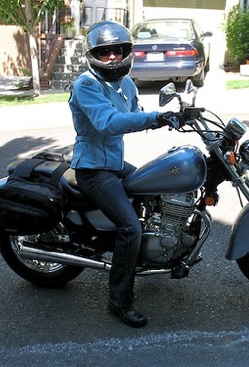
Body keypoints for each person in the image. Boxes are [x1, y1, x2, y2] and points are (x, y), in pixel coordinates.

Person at [68, 20, 183, 328]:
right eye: (105, 52)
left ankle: (151, 255)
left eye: (119, 51)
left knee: (158, 187)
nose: (113, 57)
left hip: (114, 163)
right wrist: (155, 119)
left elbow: (132, 114)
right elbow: (109, 122)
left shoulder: (127, 83)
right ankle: (119, 301)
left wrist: (178, 115)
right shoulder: (87, 85)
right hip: (93, 169)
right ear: (94, 55)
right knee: (129, 227)